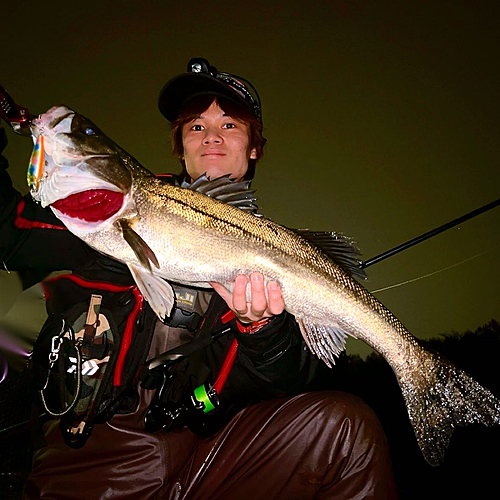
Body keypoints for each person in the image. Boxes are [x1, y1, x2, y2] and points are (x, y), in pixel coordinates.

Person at [0, 58, 398, 499]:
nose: (211, 135)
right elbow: (6, 230)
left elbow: (288, 377)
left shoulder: (276, 247)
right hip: (84, 468)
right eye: (195, 126)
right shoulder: (97, 218)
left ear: (254, 148)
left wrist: (262, 328)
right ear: (180, 147)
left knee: (346, 427)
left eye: (229, 125)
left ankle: (416, 370)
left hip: (201, 463)